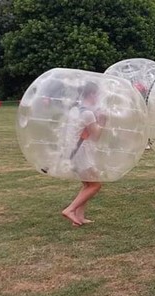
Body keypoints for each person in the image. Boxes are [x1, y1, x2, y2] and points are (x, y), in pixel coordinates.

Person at [61, 82, 108, 227]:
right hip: (81, 153)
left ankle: (79, 218)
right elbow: (96, 135)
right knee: (95, 185)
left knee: (88, 184)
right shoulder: (87, 113)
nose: (98, 99)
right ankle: (70, 210)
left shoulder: (75, 110)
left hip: (72, 152)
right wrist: (103, 120)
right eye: (97, 95)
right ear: (92, 94)